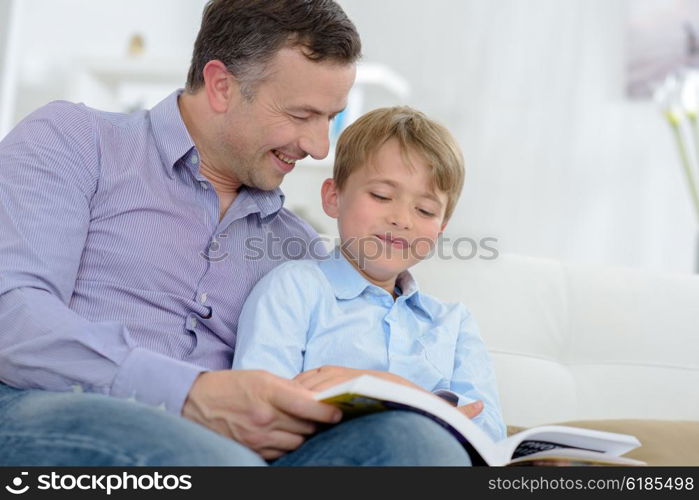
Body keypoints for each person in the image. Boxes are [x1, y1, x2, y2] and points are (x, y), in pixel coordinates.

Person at [0, 0, 471, 466]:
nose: (318, 145)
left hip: (246, 450)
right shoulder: (75, 141)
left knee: (418, 446)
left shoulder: (302, 250)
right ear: (222, 86)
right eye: (302, 115)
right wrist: (190, 393)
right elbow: (14, 316)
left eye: (331, 118)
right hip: (58, 409)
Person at [232, 106, 506, 443]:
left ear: (441, 228)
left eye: (424, 210)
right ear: (333, 197)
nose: (401, 219)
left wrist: (391, 390)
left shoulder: (454, 323)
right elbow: (258, 407)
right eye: (381, 195)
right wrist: (434, 410)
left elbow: (489, 433)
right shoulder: (294, 289)